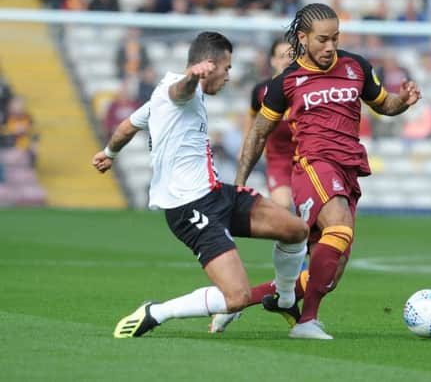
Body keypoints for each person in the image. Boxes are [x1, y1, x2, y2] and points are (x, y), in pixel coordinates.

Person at [92, 32, 308, 338]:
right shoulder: (179, 90)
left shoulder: (161, 95)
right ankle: (156, 312)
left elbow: (128, 126)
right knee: (237, 298)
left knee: (296, 230)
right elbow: (181, 91)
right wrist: (192, 78)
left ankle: (285, 299)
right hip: (189, 207)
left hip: (216, 193)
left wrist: (109, 153)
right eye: (227, 68)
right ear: (208, 65)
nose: (229, 76)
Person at [234, 3, 422, 339]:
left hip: (349, 169)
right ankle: (306, 323)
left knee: (332, 269)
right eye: (323, 39)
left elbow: (383, 104)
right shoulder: (287, 81)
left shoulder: (356, 67)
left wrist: (402, 101)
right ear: (303, 38)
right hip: (313, 166)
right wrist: (239, 183)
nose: (330, 46)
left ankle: (239, 302)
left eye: (335, 38)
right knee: (339, 227)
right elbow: (259, 132)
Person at [241, 38, 294, 209]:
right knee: (283, 205)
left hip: (307, 158)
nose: (287, 61)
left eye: (292, 56)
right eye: (281, 56)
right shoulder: (261, 91)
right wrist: (245, 145)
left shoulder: (307, 89)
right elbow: (251, 116)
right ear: (272, 60)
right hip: (278, 160)